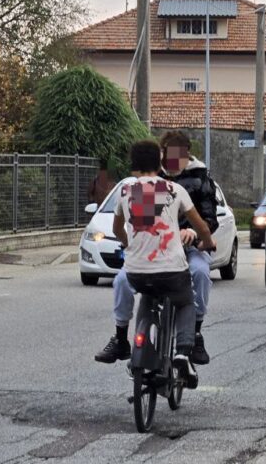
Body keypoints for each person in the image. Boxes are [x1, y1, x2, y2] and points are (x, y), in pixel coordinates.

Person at [96, 131, 219, 366]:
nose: (174, 162)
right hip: (167, 257)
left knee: (201, 273)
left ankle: (196, 333)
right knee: (129, 283)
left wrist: (193, 234)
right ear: (160, 158)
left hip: (187, 248)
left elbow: (207, 219)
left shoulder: (199, 177)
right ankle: (122, 336)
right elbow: (149, 226)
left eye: (179, 156)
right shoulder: (158, 186)